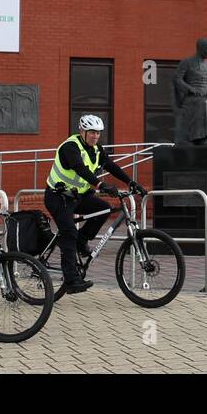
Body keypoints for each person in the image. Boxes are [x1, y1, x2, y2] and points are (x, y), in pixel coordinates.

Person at [45, 114, 146, 294]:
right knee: (68, 233)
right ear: (82, 131)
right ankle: (70, 280)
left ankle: (81, 241)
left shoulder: (97, 149)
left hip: (78, 196)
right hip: (58, 197)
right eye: (92, 132)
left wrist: (131, 182)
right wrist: (100, 184)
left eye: (98, 133)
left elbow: (111, 166)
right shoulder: (71, 147)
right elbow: (80, 168)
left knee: (103, 209)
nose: (95, 136)